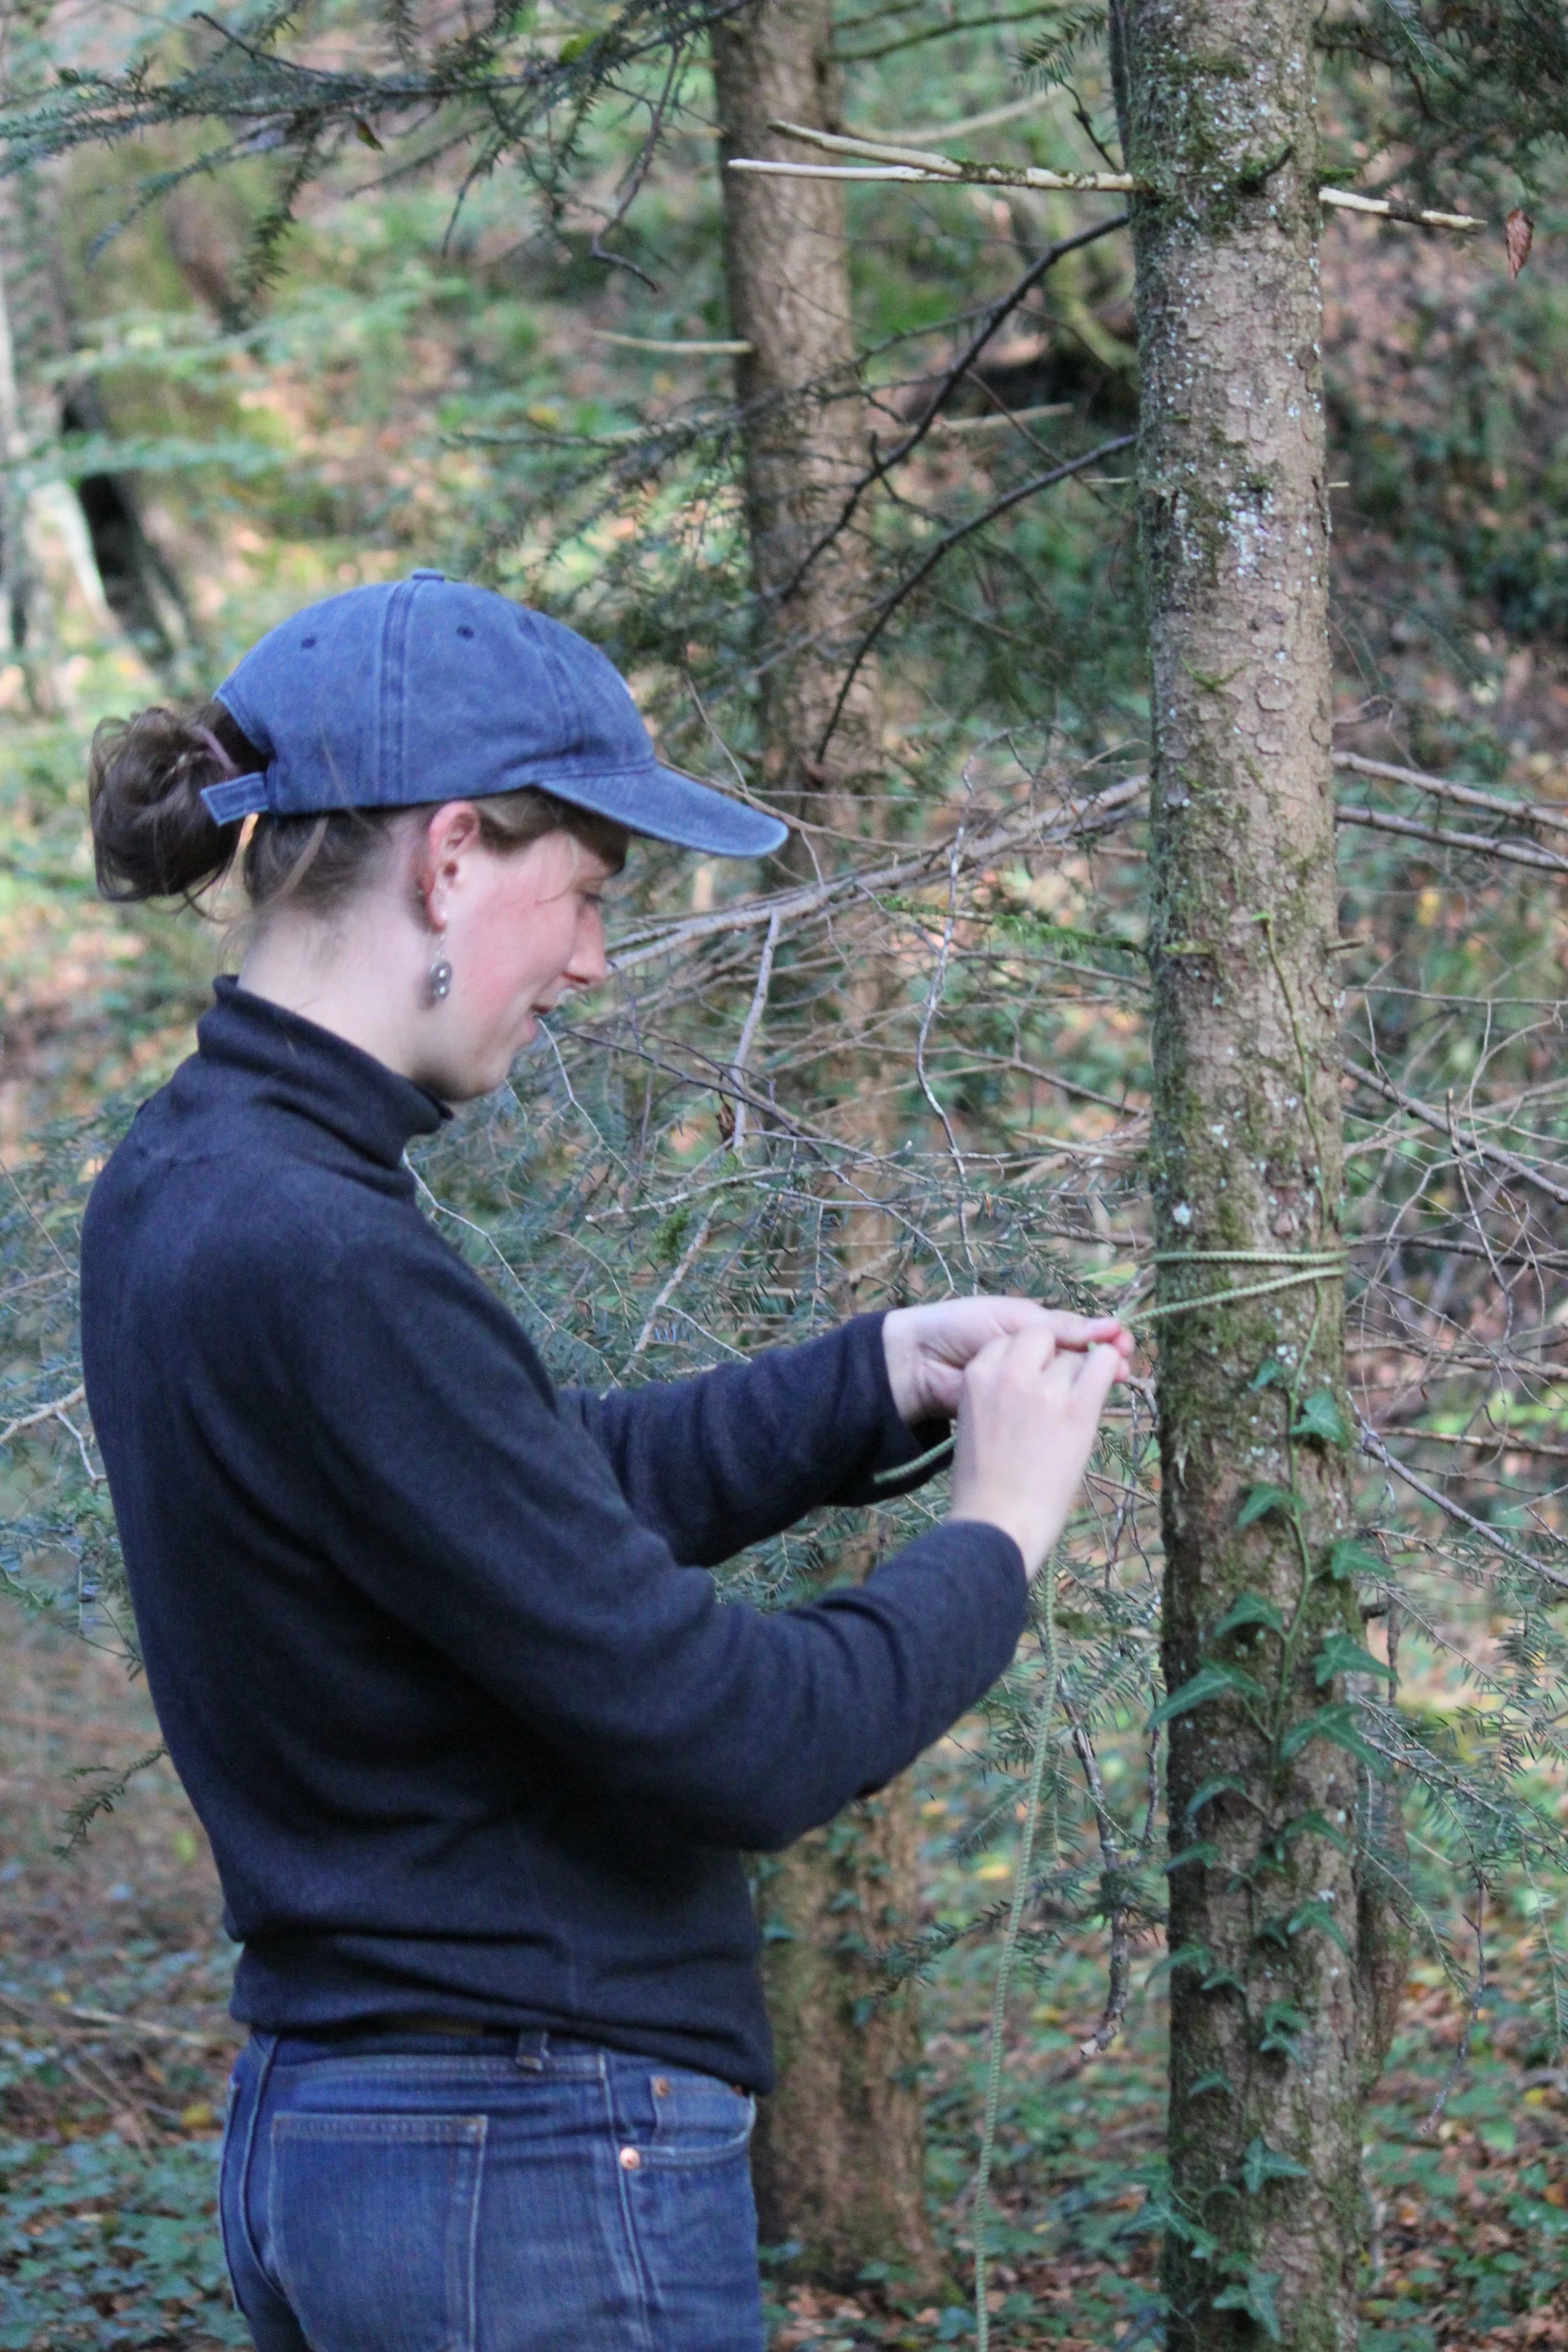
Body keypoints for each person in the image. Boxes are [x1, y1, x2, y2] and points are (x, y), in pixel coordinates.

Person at [78, 571, 1130, 2352]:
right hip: (520, 2163)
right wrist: (1003, 1528)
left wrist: (871, 1377)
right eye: (581, 896)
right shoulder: (319, 1248)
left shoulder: (189, 1182)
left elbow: (516, 1488)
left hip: (372, 2144)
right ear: (452, 854)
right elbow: (736, 1737)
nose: (589, 960)